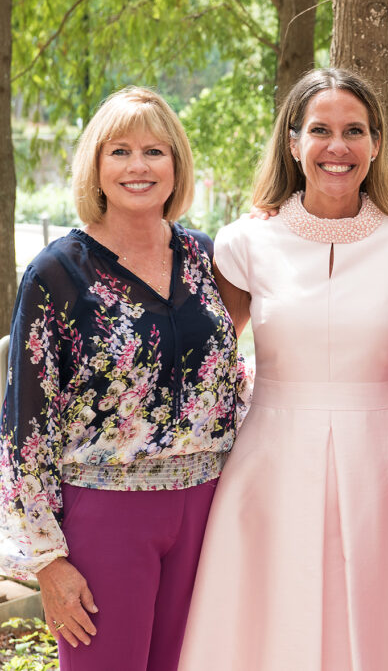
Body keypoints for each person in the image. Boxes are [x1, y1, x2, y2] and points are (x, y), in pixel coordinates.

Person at [177, 68, 388, 670]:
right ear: (294, 141)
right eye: (320, 130)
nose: (338, 146)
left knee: (379, 625)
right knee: (266, 622)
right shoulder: (247, 243)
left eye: (354, 130)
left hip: (378, 464)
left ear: (376, 143)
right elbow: (203, 358)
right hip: (270, 461)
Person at [0, 87, 241, 671]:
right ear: (96, 166)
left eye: (155, 151)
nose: (139, 166)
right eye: (120, 151)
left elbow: (224, 373)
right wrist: (48, 562)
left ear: (177, 164)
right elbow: (24, 427)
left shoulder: (205, 257)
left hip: (207, 509)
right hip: (105, 515)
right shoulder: (56, 273)